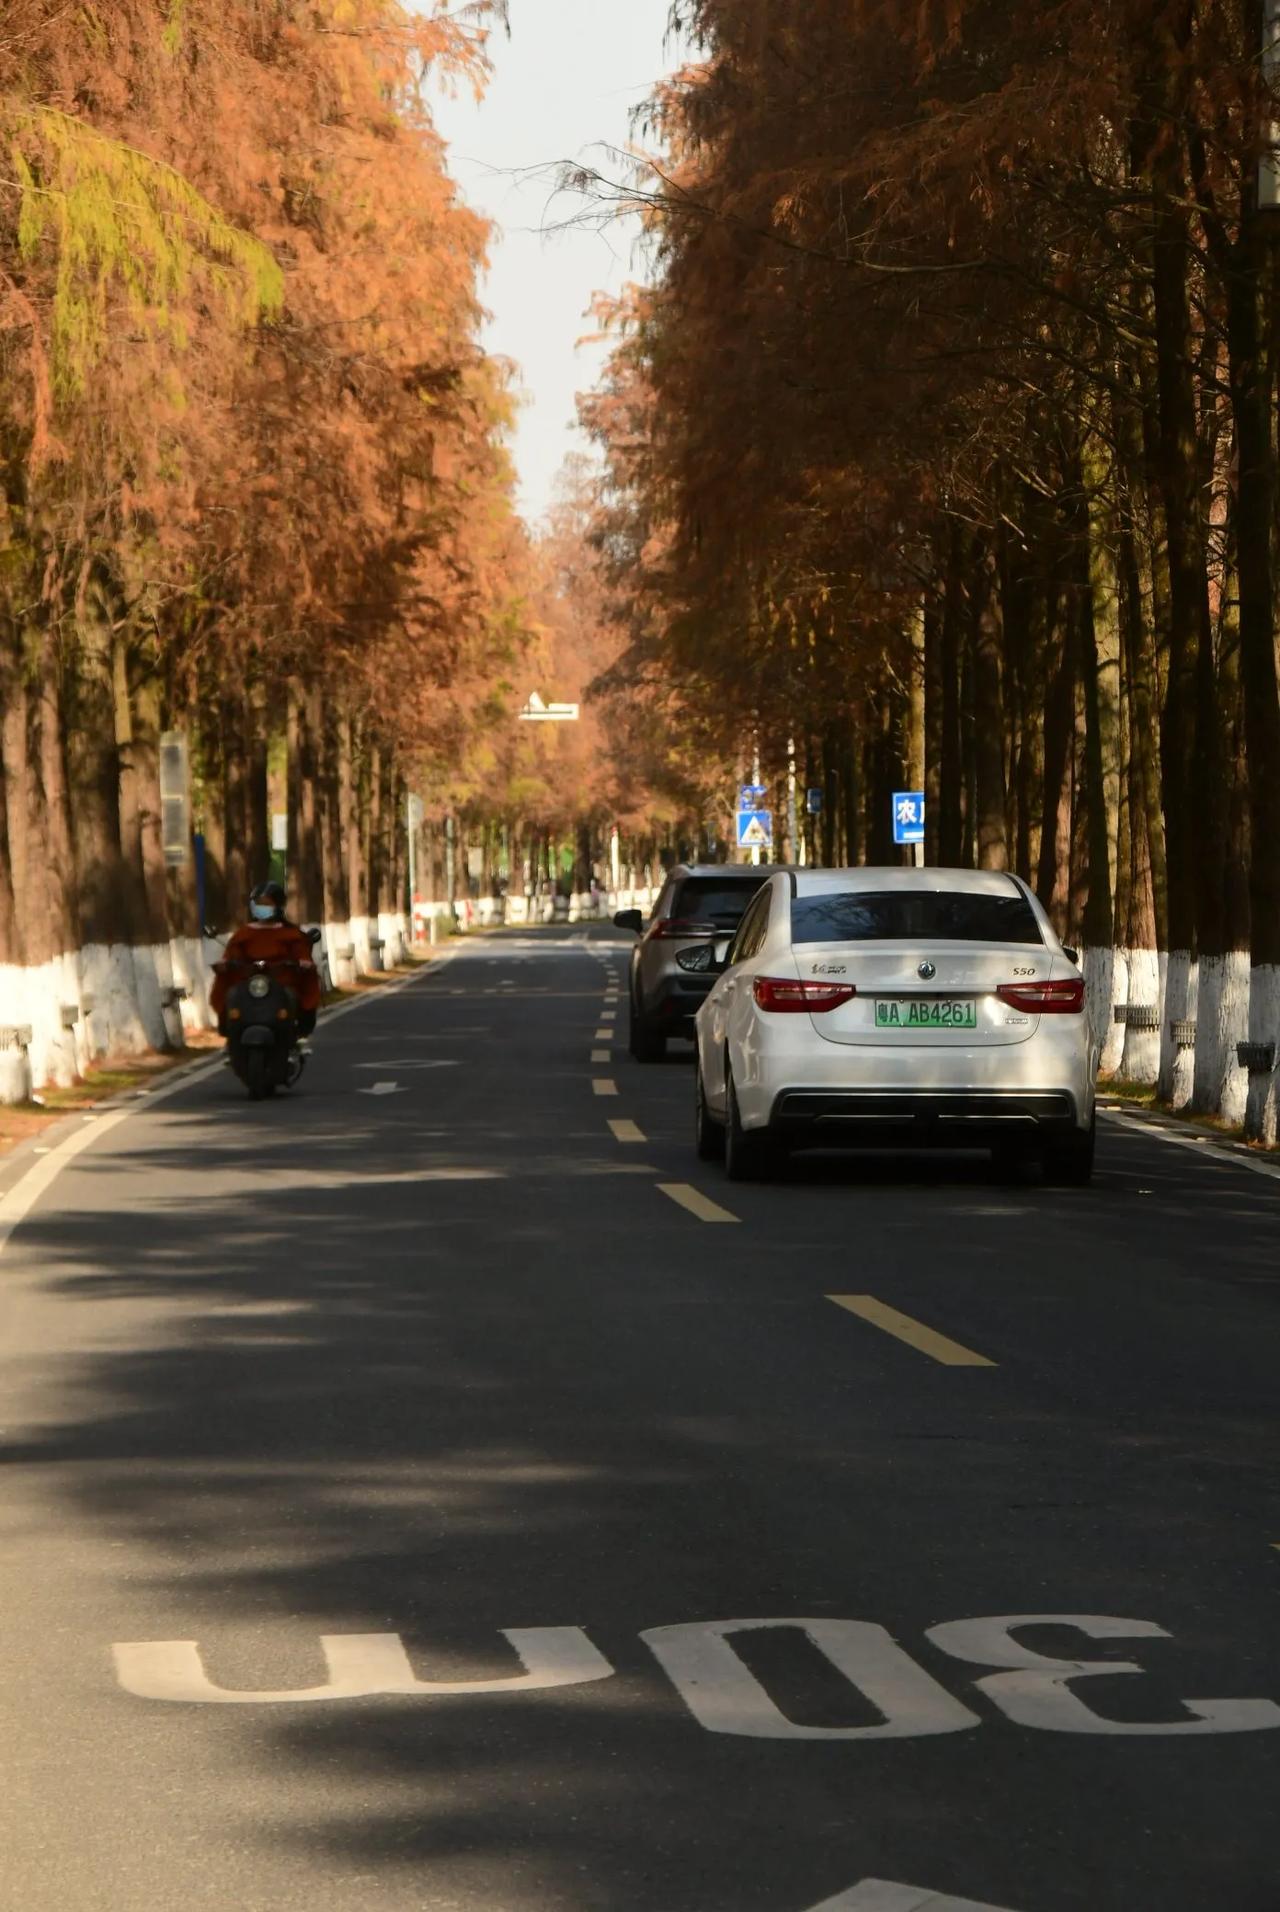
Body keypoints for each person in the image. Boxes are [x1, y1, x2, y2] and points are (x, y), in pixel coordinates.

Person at [209, 881, 322, 1036]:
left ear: (278, 906)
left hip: (282, 982)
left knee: (291, 996)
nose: (261, 907)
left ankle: (297, 1031)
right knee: (232, 996)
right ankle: (229, 1032)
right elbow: (231, 954)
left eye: (266, 904)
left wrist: (304, 963)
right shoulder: (243, 934)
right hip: (249, 983)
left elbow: (302, 954)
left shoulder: (292, 934)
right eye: (257, 903)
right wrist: (224, 963)